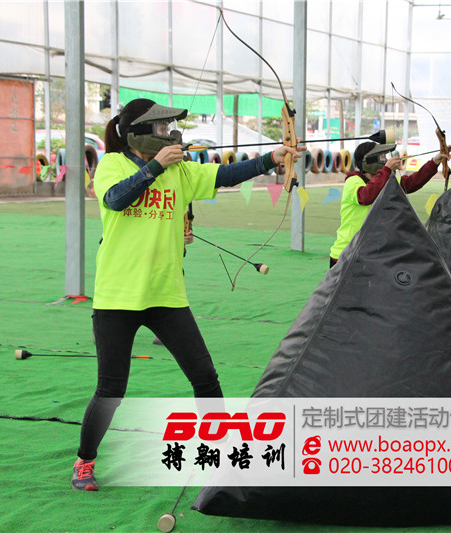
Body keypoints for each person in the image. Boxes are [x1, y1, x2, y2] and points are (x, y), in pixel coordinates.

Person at [71, 98, 303, 491]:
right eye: (161, 128)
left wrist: (270, 159)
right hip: (117, 297)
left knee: (205, 378)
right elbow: (115, 199)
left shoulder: (179, 171)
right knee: (111, 389)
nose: (169, 134)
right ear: (137, 133)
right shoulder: (113, 164)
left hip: (167, 295)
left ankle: (223, 454)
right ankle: (84, 461)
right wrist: (155, 166)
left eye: (168, 128)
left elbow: (224, 174)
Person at [328, 141, 451, 267]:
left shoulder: (383, 179)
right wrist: (386, 169)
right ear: (369, 161)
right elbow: (366, 196)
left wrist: (435, 161)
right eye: (381, 157)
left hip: (368, 254)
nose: (385, 160)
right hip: (345, 256)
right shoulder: (353, 181)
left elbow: (411, 183)